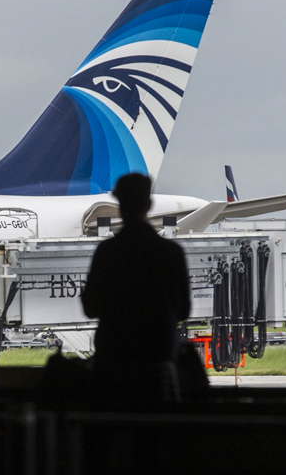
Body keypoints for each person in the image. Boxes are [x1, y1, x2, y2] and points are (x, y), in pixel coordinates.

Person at [81, 173, 191, 410]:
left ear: (119, 206)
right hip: (158, 365)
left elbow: (90, 308)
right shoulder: (171, 254)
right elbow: (183, 310)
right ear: (149, 205)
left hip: (113, 366)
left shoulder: (107, 253)